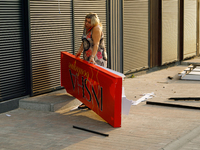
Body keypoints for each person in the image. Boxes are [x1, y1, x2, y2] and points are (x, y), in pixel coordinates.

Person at [75, 12, 107, 109]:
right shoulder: (86, 28)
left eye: (89, 22)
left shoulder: (96, 28)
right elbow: (84, 41)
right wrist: (79, 52)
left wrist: (92, 57)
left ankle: (96, 102)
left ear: (93, 22)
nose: (86, 23)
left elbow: (96, 44)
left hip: (97, 57)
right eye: (86, 21)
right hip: (87, 56)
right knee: (86, 78)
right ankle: (87, 101)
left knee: (95, 80)